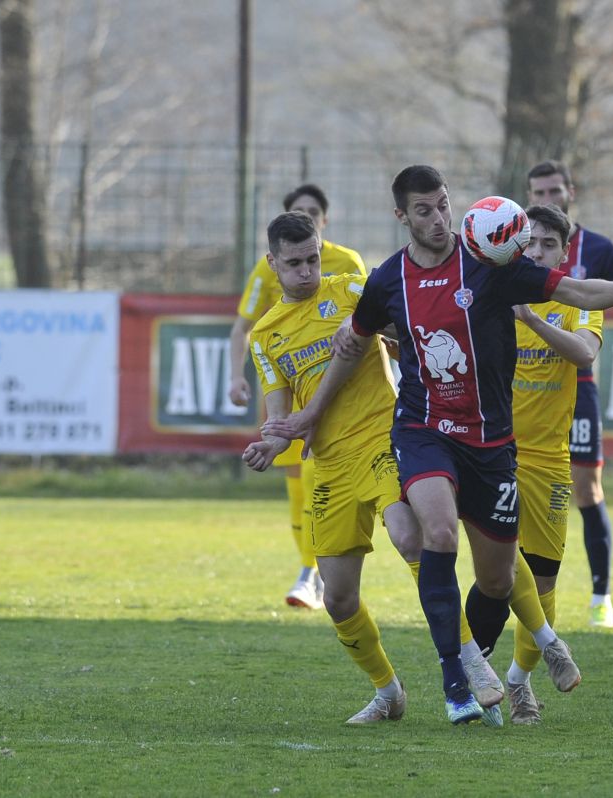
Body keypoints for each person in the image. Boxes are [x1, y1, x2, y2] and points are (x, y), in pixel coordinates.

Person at [264, 164, 613, 724]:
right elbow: (351, 346)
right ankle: (460, 671)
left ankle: (535, 645)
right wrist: (306, 415)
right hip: (423, 430)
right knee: (436, 533)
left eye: (443, 205)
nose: (438, 218)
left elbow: (571, 288)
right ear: (402, 216)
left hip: (491, 442)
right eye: (423, 210)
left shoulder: (488, 263)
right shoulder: (387, 280)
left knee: (497, 576)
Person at [240, 210, 409, 724]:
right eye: (294, 264)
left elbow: (407, 328)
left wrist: (376, 327)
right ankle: (388, 691)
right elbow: (279, 416)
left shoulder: (351, 290)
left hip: (383, 439)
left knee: (412, 540)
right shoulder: (264, 336)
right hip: (330, 464)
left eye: (312, 259)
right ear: (272, 263)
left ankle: (465, 665)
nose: (306, 272)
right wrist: (270, 445)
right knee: (337, 598)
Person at [527, 159, 613, 629]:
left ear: (571, 192)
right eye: (539, 192)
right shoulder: (518, 251)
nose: (548, 199)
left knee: (586, 489)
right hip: (522, 388)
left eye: (554, 191)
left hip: (575, 382)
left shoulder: (597, 248)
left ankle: (601, 595)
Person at [226, 184, 365, 610]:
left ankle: (314, 573)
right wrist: (236, 377)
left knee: (314, 480)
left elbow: (375, 322)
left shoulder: (348, 267)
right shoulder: (265, 270)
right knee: (297, 487)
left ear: (324, 222)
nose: (304, 269)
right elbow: (244, 327)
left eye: (313, 212)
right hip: (291, 393)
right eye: (299, 211)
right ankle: (312, 572)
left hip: (348, 400)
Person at [505, 204, 602, 723]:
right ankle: (469, 670)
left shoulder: (577, 303)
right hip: (494, 453)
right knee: (499, 561)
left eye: (548, 245)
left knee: (542, 582)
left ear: (564, 254)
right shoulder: (494, 296)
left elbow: (584, 355)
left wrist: (532, 319)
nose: (538, 252)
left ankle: (518, 681)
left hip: (548, 461)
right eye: (531, 243)